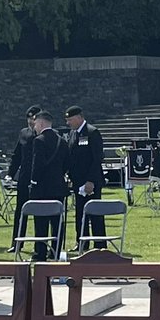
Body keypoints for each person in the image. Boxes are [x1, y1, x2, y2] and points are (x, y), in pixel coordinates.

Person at [26, 110, 69, 260]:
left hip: (42, 187)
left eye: (36, 123)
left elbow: (37, 165)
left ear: (41, 123)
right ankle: (56, 251)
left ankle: (41, 252)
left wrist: (33, 181)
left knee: (41, 222)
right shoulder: (61, 141)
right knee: (57, 222)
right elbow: (66, 163)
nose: (34, 126)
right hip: (58, 186)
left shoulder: (39, 141)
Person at [64, 105, 105, 250]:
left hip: (90, 181)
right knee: (80, 214)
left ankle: (100, 244)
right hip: (77, 181)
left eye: (70, 119)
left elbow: (97, 158)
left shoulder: (92, 132)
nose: (68, 123)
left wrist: (91, 180)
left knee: (95, 213)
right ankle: (82, 242)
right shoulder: (72, 134)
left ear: (79, 117)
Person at [5, 105, 40, 250]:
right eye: (29, 119)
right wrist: (10, 173)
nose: (31, 122)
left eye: (34, 119)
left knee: (40, 212)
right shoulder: (24, 133)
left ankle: (40, 245)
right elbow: (17, 155)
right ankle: (17, 243)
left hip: (40, 180)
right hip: (24, 179)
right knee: (20, 212)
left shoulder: (46, 134)